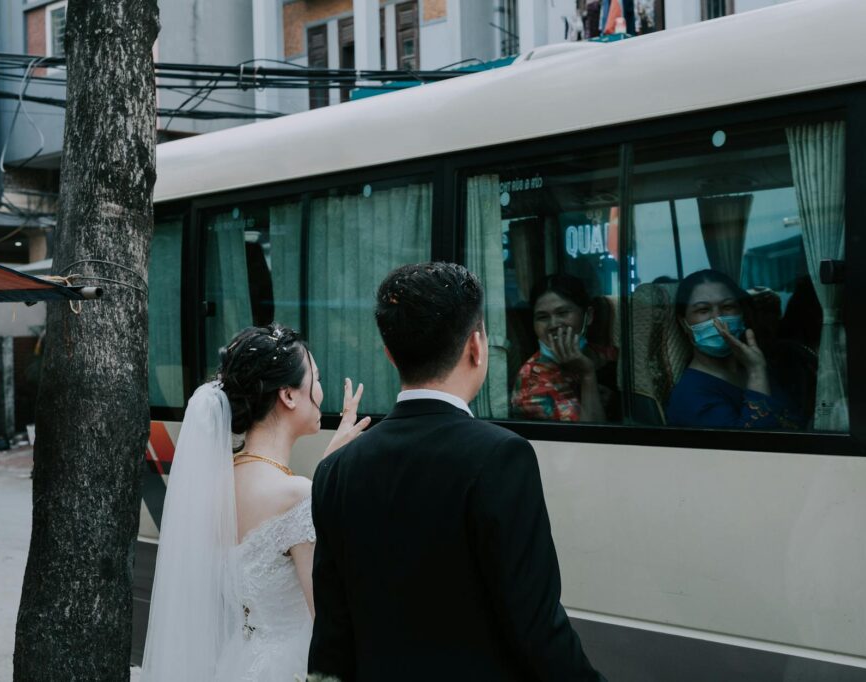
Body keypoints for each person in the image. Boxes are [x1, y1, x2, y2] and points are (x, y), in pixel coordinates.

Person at [308, 262, 605, 681]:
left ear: (390, 354)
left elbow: (332, 634)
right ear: (476, 346)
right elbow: (536, 625)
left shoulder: (335, 469)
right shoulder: (501, 456)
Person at [141, 324, 369, 681]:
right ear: (289, 396)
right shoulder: (297, 495)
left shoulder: (219, 484)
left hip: (241, 661)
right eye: (317, 378)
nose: (322, 392)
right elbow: (326, 618)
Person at [664, 269, 799, 429]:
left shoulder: (756, 366)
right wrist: (756, 373)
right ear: (683, 323)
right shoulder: (690, 395)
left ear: (741, 313)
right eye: (703, 310)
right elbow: (748, 448)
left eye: (727, 307)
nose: (718, 320)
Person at [510, 274, 618, 422]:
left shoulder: (605, 355)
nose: (553, 325)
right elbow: (590, 440)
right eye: (543, 317)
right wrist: (587, 375)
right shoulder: (532, 381)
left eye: (563, 313)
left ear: (589, 316)